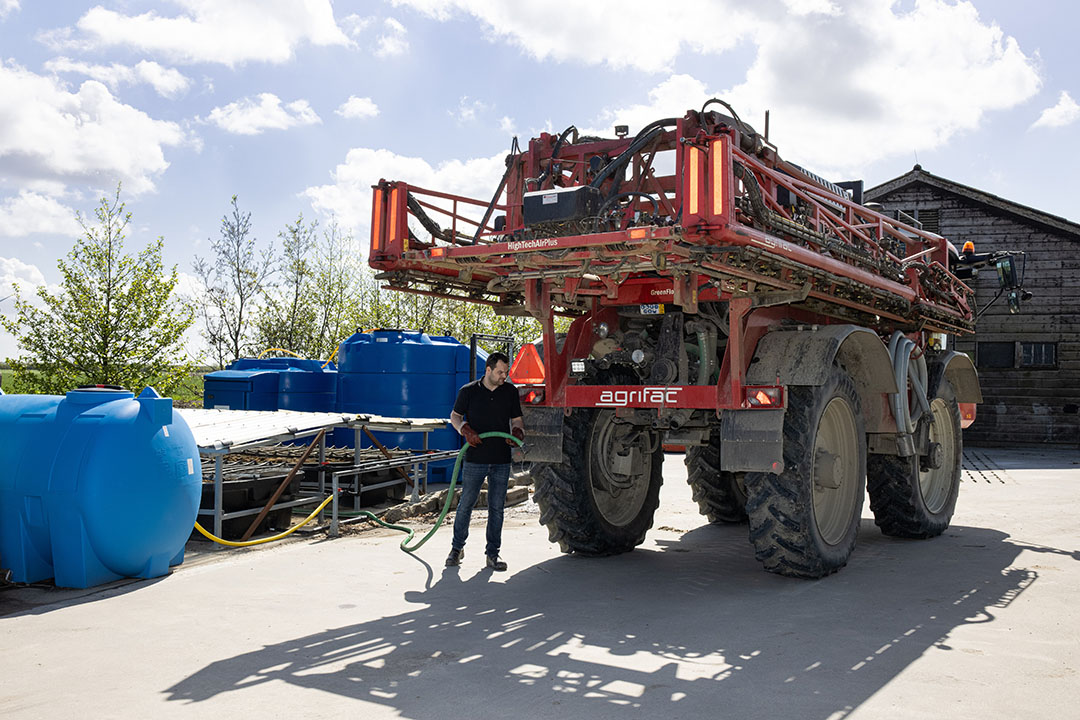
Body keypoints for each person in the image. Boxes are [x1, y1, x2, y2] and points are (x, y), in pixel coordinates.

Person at [446, 352, 524, 571]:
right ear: (488, 370)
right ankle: (456, 549)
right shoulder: (468, 391)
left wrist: (518, 431)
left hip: (501, 459)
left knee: (496, 508)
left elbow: (517, 419)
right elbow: (455, 415)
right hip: (475, 459)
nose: (504, 376)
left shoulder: (509, 391)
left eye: (506, 372)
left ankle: (492, 555)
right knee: (466, 506)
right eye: (500, 372)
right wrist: (464, 429)